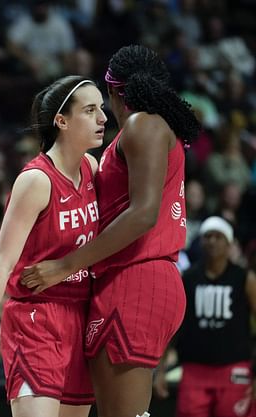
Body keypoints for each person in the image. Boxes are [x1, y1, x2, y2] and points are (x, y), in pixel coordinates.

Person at [20, 45, 201, 417]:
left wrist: (63, 265)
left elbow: (143, 215)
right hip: (135, 277)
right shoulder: (148, 129)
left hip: (138, 277)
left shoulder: (143, 123)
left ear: (114, 89)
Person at [0, 75, 106, 417]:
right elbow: (1, 265)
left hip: (81, 317)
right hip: (36, 317)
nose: (102, 118)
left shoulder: (91, 167)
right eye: (90, 110)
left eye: (101, 108)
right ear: (62, 121)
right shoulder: (36, 180)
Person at [154, 216, 256, 417]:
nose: (212, 241)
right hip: (194, 370)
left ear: (229, 243)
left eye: (218, 237)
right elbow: (173, 328)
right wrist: (161, 369)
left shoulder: (245, 278)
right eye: (207, 236)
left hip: (234, 369)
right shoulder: (188, 278)